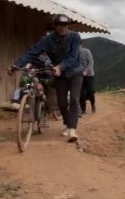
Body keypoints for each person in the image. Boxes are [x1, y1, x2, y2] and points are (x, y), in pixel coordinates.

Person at [8, 14, 83, 143]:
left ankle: (72, 130)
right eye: (60, 25)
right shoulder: (47, 39)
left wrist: (60, 66)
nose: (63, 28)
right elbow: (33, 52)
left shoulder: (75, 37)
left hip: (75, 72)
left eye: (65, 25)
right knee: (61, 103)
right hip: (59, 75)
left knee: (75, 100)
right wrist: (17, 65)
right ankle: (67, 122)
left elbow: (73, 56)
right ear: (55, 26)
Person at [79, 43, 96, 116]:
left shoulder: (86, 51)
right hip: (79, 76)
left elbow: (91, 63)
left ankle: (93, 104)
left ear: (81, 45)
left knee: (90, 91)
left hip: (89, 75)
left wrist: (86, 71)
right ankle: (83, 109)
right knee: (81, 93)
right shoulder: (73, 53)